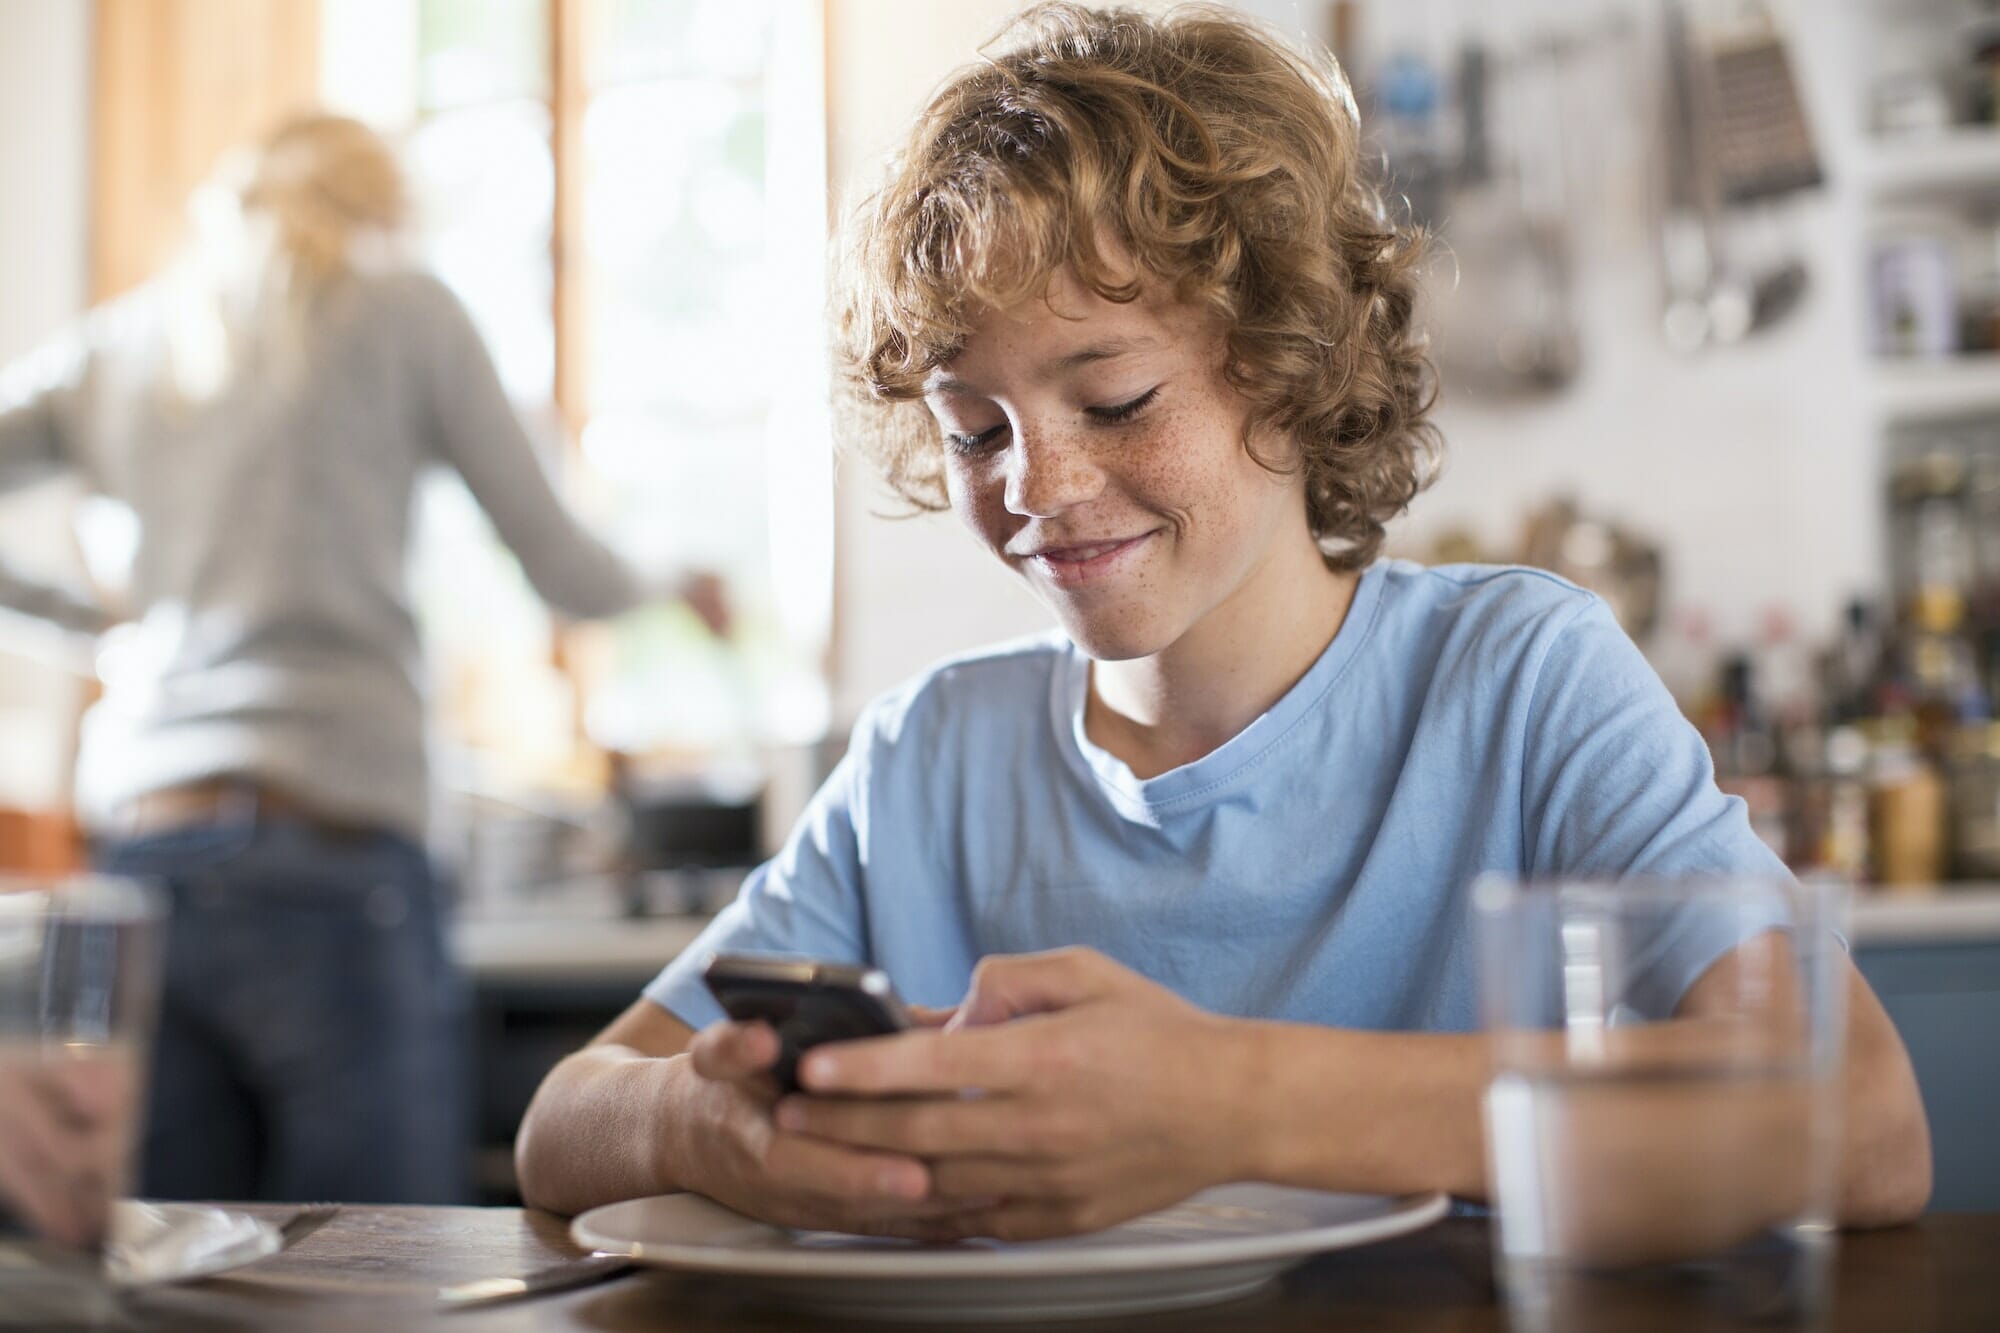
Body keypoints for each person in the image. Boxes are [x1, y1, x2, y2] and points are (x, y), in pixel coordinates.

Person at [513, 3, 1931, 1238]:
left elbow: (1859, 1124)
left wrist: (1235, 1100)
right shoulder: (931, 758)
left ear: (1289, 359)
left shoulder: (1516, 679)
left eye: (1117, 399)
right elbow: (562, 1127)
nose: (1041, 486)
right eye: (972, 428)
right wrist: (706, 1131)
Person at [0, 113, 726, 1219]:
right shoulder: (404, 309)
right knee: (380, 1268)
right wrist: (675, 579)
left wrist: (111, 623)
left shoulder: (123, 342)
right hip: (327, 853)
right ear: (381, 209)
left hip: (145, 858)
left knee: (179, 1271)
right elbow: (563, 565)